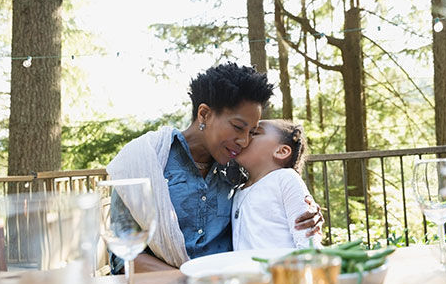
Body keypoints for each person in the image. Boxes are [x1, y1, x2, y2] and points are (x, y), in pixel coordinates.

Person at [106, 62, 323, 272]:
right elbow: (123, 255)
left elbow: (271, 191)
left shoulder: (238, 171)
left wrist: (305, 211)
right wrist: (188, 279)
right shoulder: (145, 161)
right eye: (238, 127)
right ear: (204, 114)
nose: (244, 141)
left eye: (252, 132)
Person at [231, 119, 322, 250]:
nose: (244, 138)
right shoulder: (238, 191)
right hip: (248, 270)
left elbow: (308, 240)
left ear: (281, 151)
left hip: (284, 269)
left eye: (254, 133)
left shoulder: (286, 178)